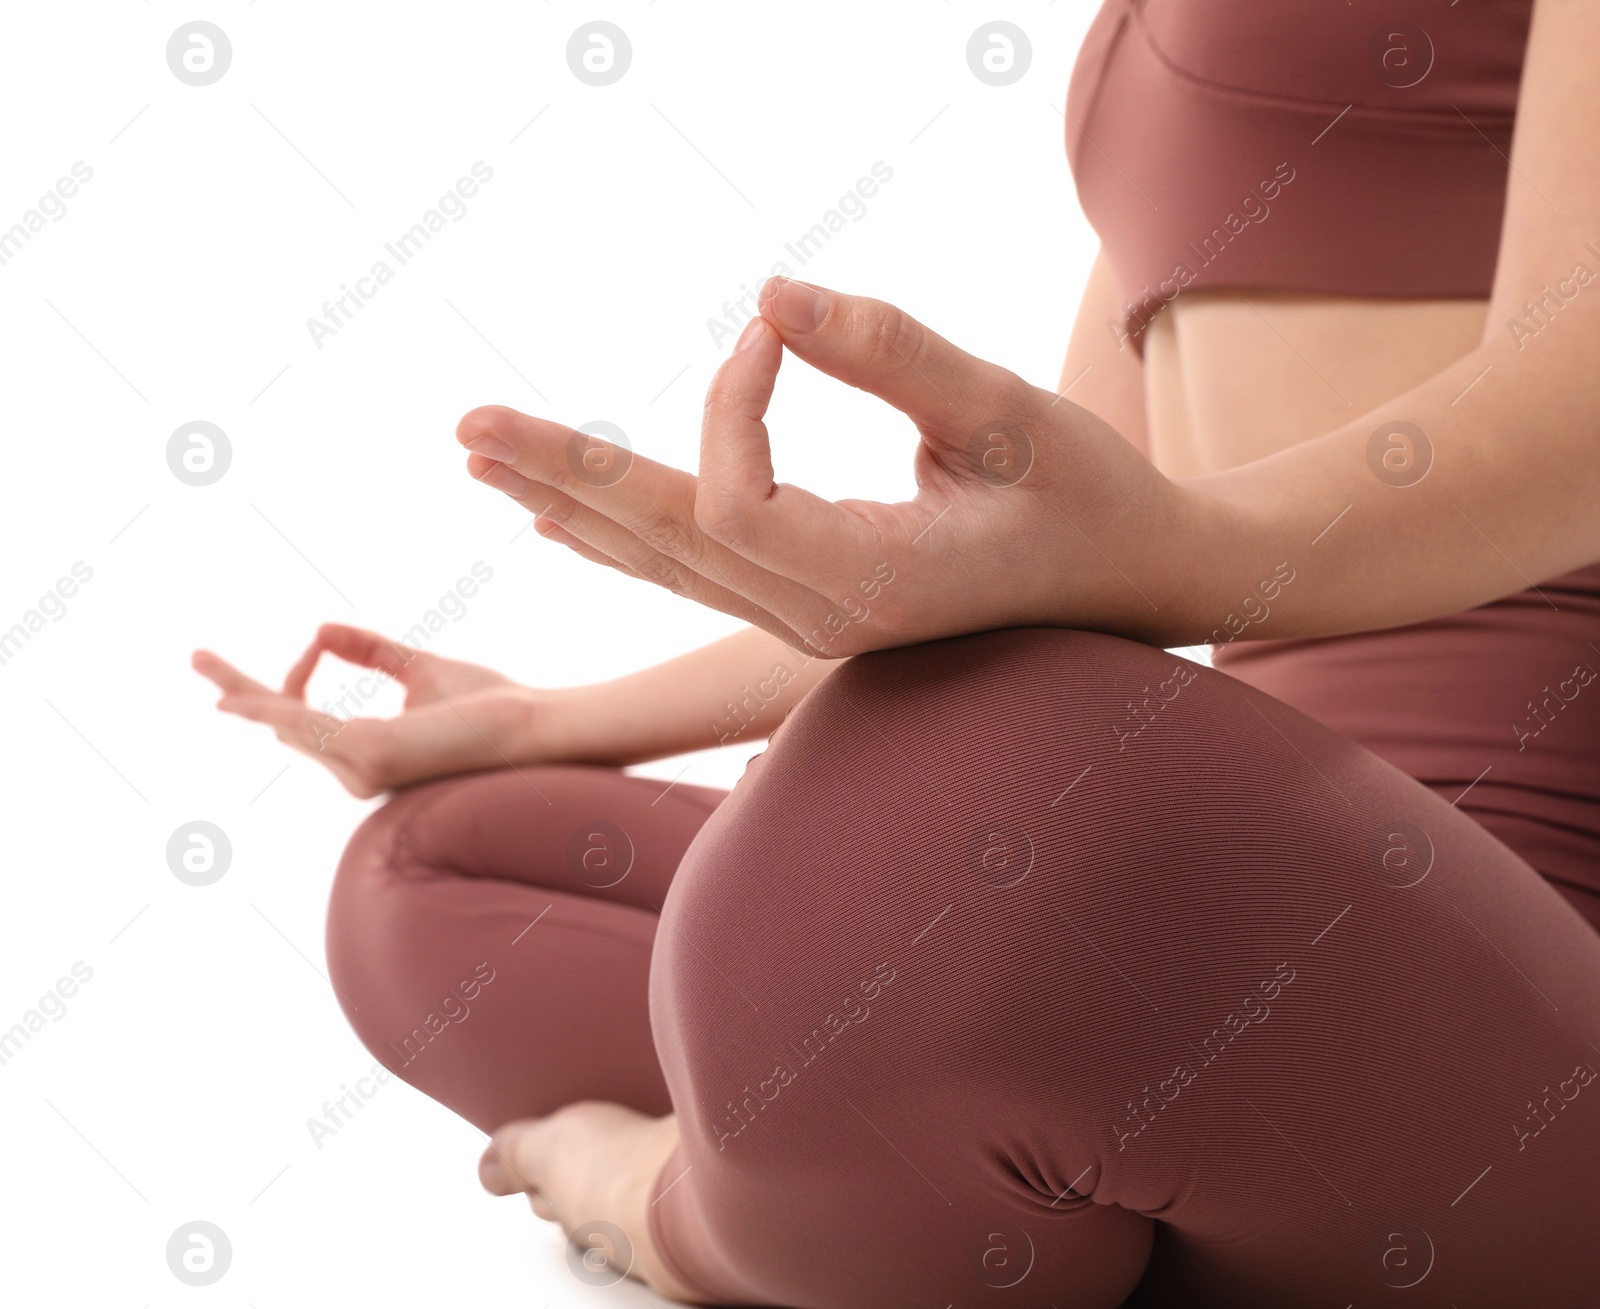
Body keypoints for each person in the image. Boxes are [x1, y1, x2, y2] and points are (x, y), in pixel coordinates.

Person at [195, 2, 1600, 1304]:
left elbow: (1572, 386)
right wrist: (541, 721)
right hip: (1234, 901)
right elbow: (1051, 561)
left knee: (961, 803)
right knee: (430, 877)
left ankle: (682, 1202)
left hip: (1529, 969)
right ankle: (1021, 1186)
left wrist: (1141, 580)